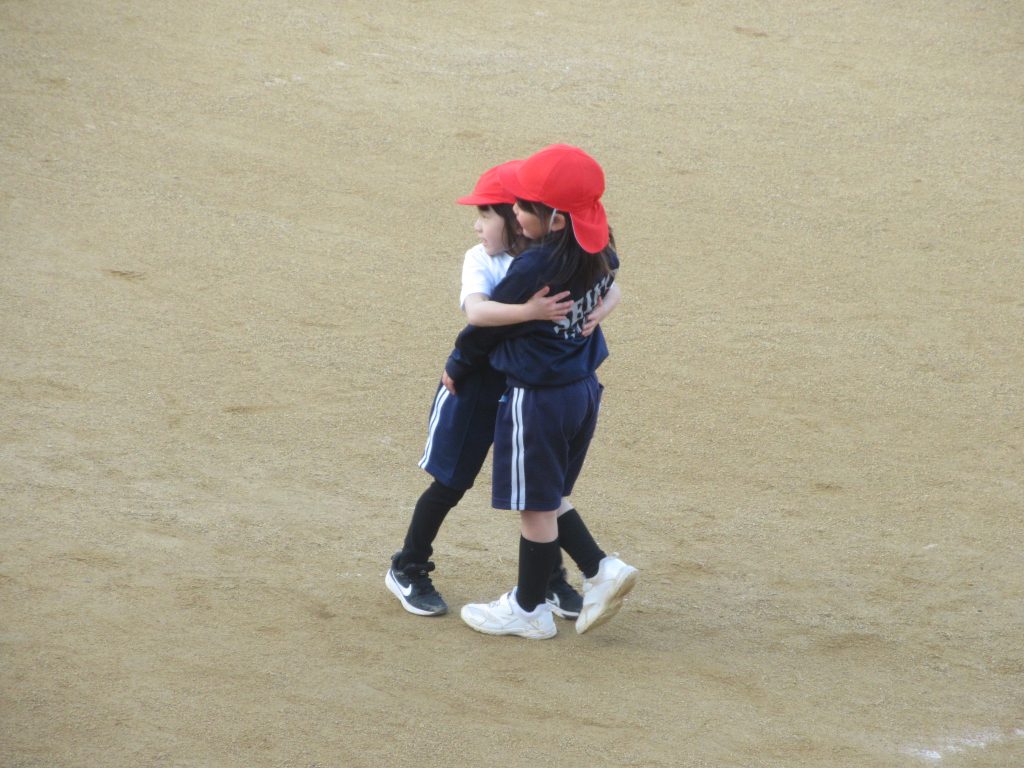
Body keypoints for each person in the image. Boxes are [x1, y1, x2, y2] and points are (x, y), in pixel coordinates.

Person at [385, 161, 620, 619]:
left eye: (486, 214)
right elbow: (478, 315)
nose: (478, 226)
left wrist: (603, 309)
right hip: (474, 385)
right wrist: (527, 313)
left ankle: (548, 580)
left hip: (525, 389)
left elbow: (608, 279)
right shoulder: (482, 259)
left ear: (519, 217)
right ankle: (408, 564)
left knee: (541, 490)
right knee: (452, 481)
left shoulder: (555, 255)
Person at [445, 144, 638, 640]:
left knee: (534, 507)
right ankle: (598, 568)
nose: (513, 210)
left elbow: (485, 328)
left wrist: (458, 365)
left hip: (537, 398)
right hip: (582, 390)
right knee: (548, 496)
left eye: (524, 206)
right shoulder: (597, 246)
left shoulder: (534, 268)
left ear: (555, 219)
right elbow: (612, 281)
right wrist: (602, 310)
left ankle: (528, 609)